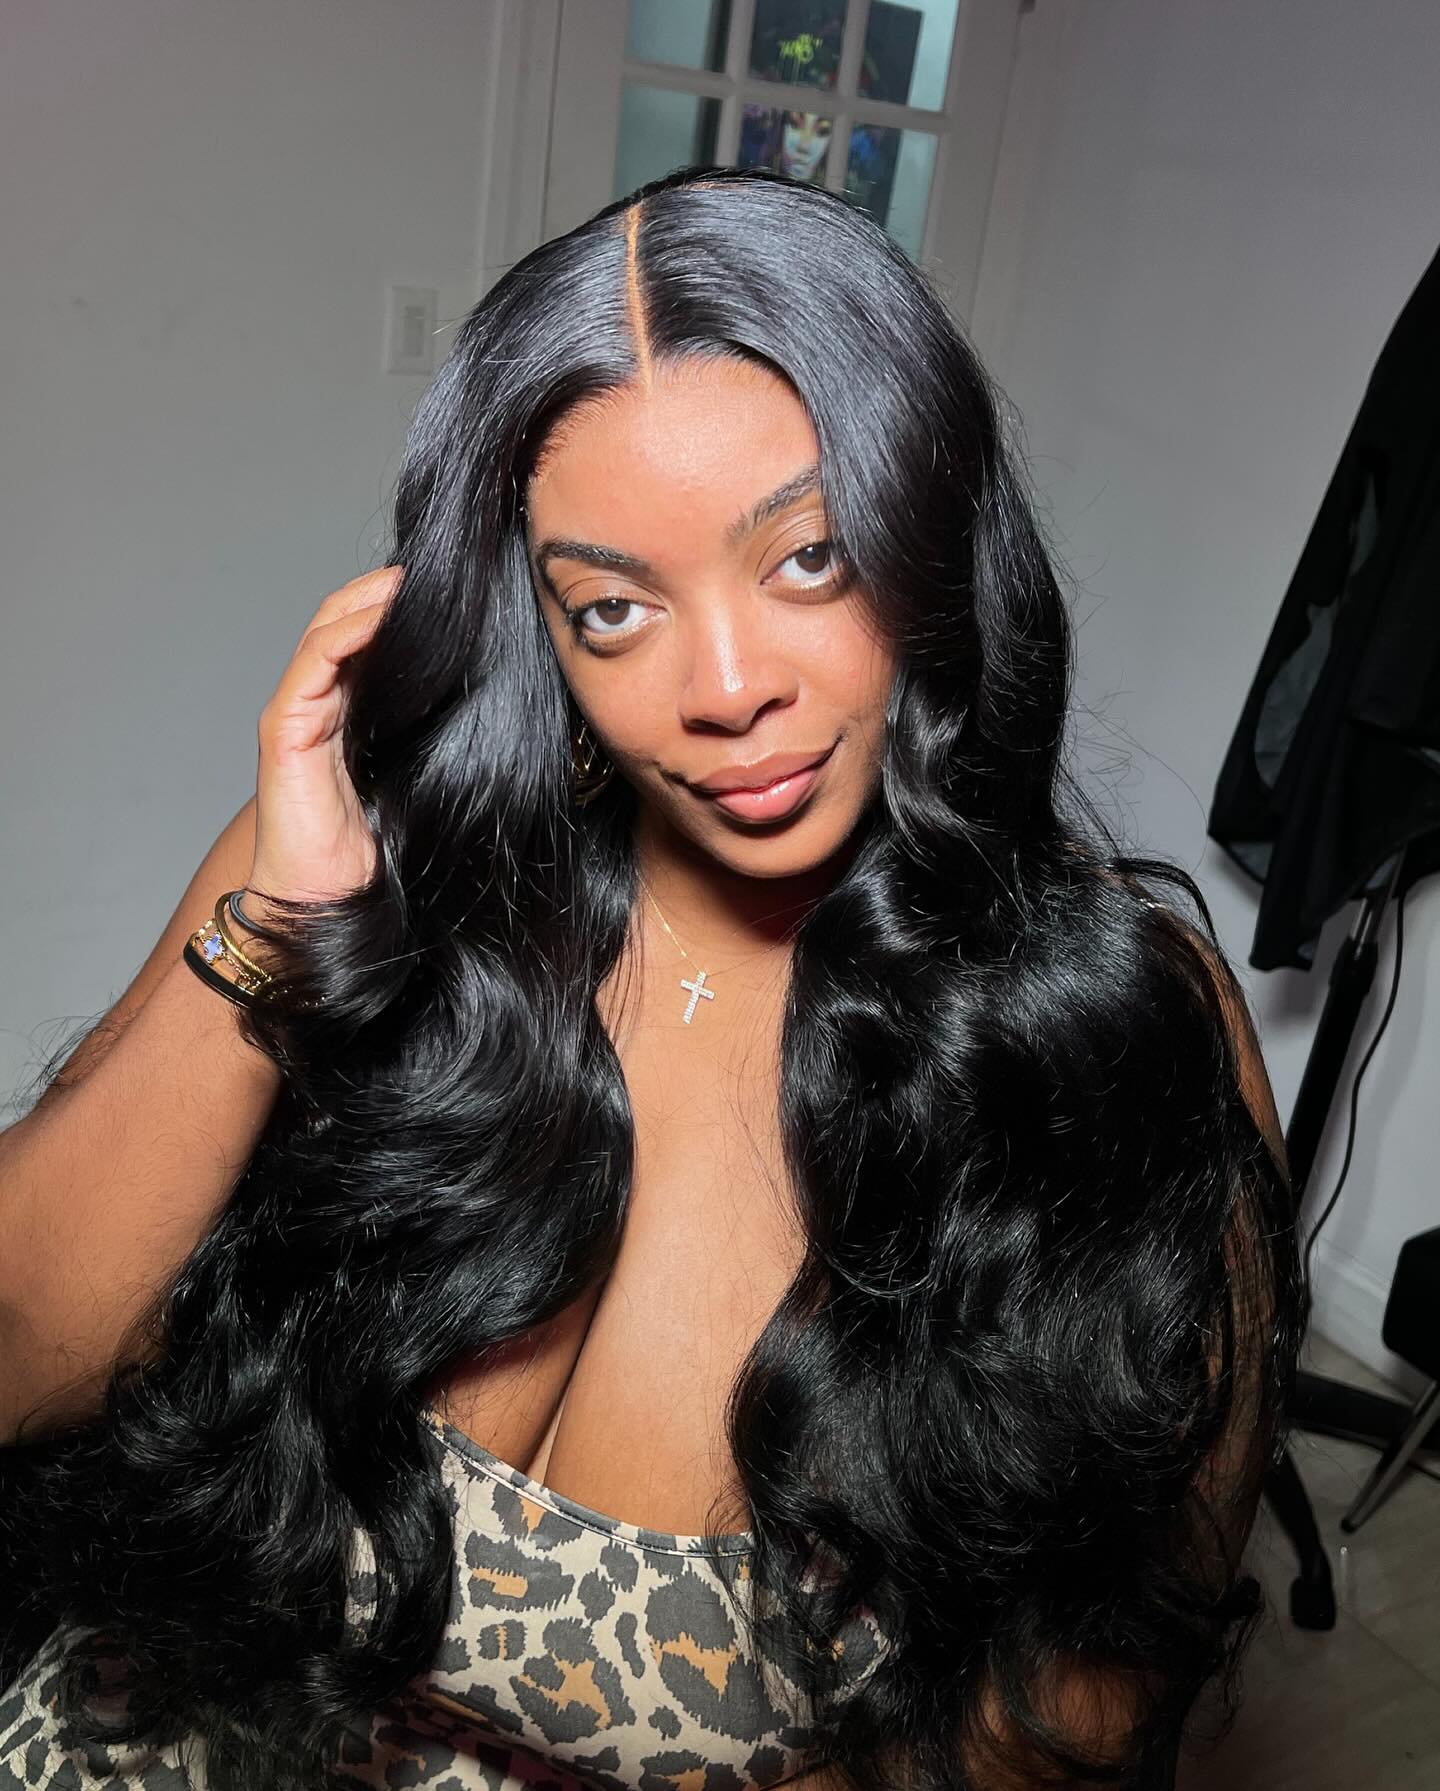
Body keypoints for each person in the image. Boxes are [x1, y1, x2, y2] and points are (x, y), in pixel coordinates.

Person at [0, 166, 1305, 1791]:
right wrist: (279, 934)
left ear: (931, 531)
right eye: (614, 607)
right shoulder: (374, 875)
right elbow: (24, 1365)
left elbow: (1071, 1730)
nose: (729, 686)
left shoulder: (1111, 1034)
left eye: (809, 557)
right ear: (533, 623)